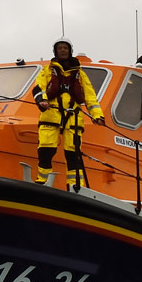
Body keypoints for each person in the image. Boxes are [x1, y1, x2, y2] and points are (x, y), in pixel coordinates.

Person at [31, 38, 105, 188]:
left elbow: (90, 96)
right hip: (50, 113)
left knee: (73, 151)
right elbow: (39, 87)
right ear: (56, 51)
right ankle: (42, 180)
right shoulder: (47, 70)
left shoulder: (80, 74)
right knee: (46, 148)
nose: (63, 50)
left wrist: (97, 115)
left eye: (65, 48)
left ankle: (75, 183)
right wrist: (42, 101)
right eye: (60, 48)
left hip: (74, 116)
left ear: (70, 50)